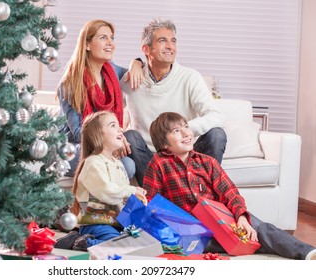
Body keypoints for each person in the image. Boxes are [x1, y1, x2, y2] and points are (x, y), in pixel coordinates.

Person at [142, 111, 316, 260]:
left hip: (223, 218)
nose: (186, 133)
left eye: (186, 126)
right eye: (176, 131)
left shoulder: (207, 162)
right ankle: (248, 244)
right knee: (198, 243)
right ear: (165, 144)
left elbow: (229, 192)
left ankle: (308, 253)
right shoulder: (159, 163)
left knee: (260, 229)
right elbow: (151, 202)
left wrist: (241, 217)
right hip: (191, 228)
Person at [121, 18, 226, 186]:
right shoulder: (131, 80)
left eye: (173, 41)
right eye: (163, 41)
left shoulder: (190, 77)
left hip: (185, 155)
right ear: (146, 49)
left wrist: (181, 132)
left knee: (217, 134)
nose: (170, 46)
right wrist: (135, 63)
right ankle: (161, 195)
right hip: (151, 159)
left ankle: (201, 194)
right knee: (130, 136)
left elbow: (217, 117)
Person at [57, 19, 143, 178]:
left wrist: (136, 62)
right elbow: (78, 132)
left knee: (129, 160)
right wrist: (112, 139)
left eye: (112, 38)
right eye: (103, 37)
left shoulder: (113, 71)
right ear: (87, 45)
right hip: (72, 148)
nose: (110, 43)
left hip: (103, 144)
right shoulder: (70, 82)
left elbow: (134, 72)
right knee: (126, 166)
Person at [54, 111, 147, 251]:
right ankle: (79, 242)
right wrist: (132, 190)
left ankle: (104, 241)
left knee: (140, 243)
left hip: (115, 224)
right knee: (121, 247)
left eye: (119, 125)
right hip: (96, 223)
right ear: (98, 135)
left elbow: (120, 199)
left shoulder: (118, 164)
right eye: (112, 125)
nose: (120, 128)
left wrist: (135, 204)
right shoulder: (93, 163)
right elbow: (107, 191)